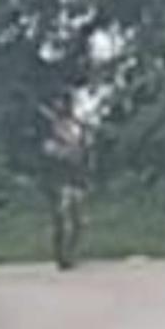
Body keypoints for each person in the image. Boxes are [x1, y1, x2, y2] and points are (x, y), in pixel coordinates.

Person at [40, 93, 91, 271]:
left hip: (76, 179)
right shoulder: (50, 131)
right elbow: (49, 152)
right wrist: (64, 150)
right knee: (61, 220)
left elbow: (82, 152)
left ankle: (69, 254)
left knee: (78, 221)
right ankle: (61, 257)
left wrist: (75, 147)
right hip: (59, 180)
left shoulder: (76, 127)